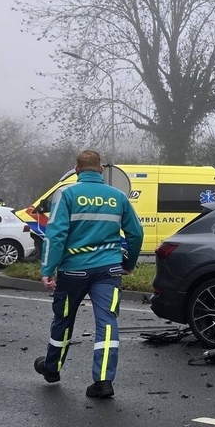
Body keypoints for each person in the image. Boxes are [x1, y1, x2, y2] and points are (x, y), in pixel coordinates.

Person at [34, 150, 144, 399]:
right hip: (109, 270)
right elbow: (136, 234)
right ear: (101, 169)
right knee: (107, 324)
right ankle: (103, 382)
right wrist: (130, 262)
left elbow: (56, 234)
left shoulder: (67, 193)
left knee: (63, 319)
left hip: (73, 270)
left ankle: (51, 369)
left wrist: (48, 270)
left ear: (76, 170)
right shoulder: (117, 196)